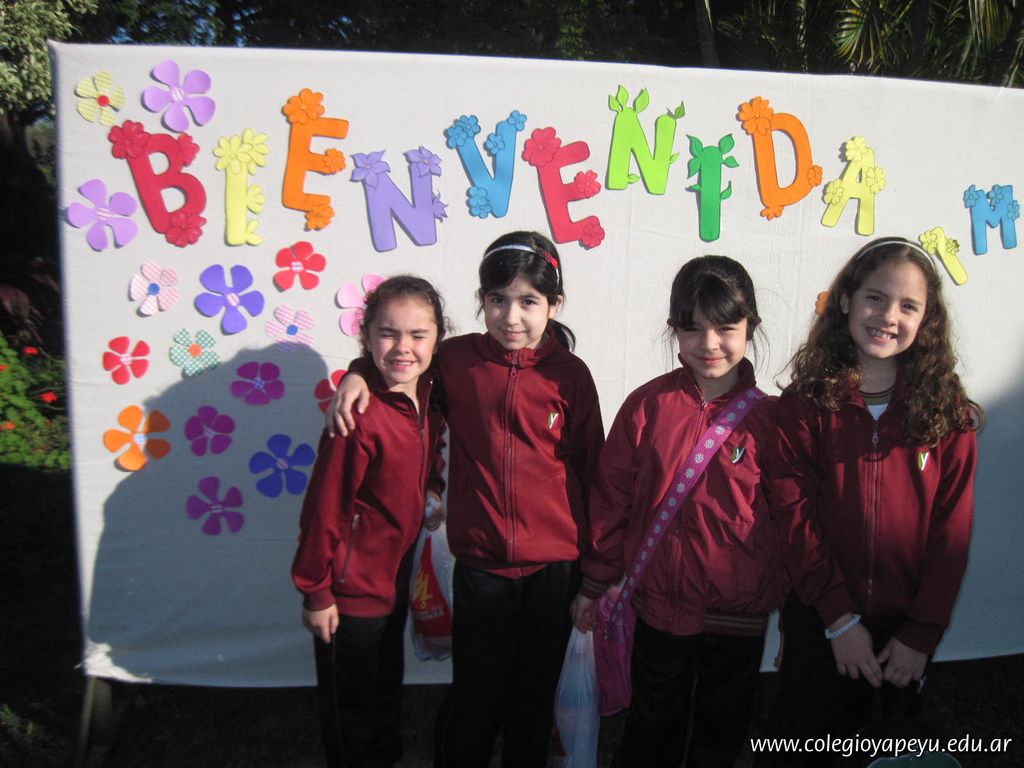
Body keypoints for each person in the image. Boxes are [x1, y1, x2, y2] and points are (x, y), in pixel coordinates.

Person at [329, 231, 605, 768]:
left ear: (554, 304)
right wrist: (358, 372)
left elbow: (594, 472)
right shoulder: (456, 361)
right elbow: (400, 362)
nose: (510, 317)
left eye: (528, 301)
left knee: (533, 697)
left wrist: (595, 574)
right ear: (482, 299)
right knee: (477, 696)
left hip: (555, 569)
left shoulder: (570, 376)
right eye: (497, 299)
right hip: (482, 566)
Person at [760, 237, 978, 766]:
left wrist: (921, 634)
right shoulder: (805, 405)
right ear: (846, 301)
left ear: (927, 320)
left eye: (908, 306)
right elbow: (795, 518)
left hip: (904, 631)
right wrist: (838, 621)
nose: (888, 317)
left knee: (886, 753)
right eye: (875, 298)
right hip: (821, 620)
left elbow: (952, 533)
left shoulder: (947, 413)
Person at [571, 255, 786, 768]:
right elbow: (611, 498)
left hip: (738, 617)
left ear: (751, 327)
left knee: (721, 728)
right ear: (674, 329)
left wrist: (800, 616)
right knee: (651, 724)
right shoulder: (648, 406)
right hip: (660, 609)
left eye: (725, 328)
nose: (709, 344)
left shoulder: (773, 421)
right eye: (692, 328)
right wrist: (595, 582)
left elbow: (791, 519)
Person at [292, 275, 448, 768]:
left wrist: (433, 487)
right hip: (348, 591)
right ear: (366, 336)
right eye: (387, 333)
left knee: (384, 683)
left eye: (418, 335)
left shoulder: (429, 396)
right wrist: (316, 591)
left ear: (438, 338)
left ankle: (384, 756)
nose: (403, 347)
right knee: (351, 707)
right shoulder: (356, 417)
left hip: (392, 579)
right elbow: (323, 510)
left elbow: (428, 454)